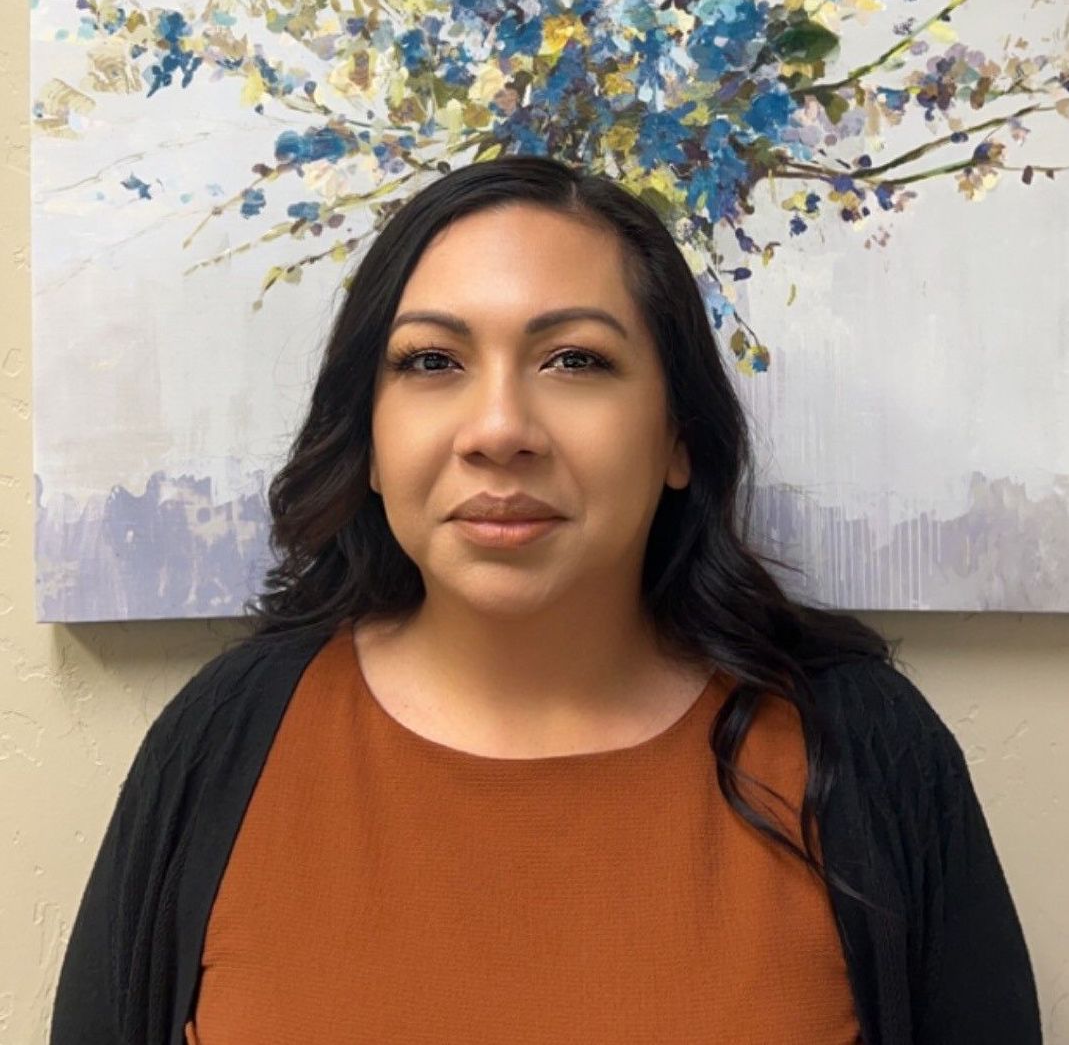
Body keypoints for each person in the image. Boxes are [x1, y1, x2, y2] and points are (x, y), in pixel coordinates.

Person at [50, 155, 1040, 1044]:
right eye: (432, 361)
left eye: (575, 360)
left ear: (678, 437)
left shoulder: (864, 751)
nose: (498, 429)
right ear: (370, 440)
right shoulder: (224, 740)